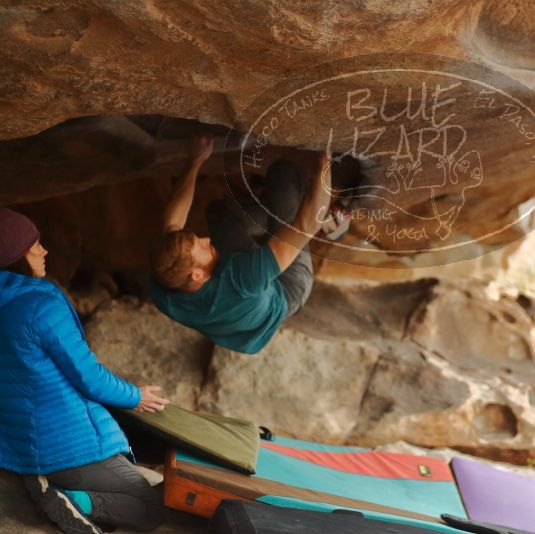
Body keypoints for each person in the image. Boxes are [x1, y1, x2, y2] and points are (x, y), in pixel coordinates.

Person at [0, 207, 170, 534]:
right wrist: (136, 396)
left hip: (21, 447)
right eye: (34, 246)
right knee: (154, 506)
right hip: (68, 446)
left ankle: (45, 484)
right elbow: (88, 376)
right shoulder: (40, 305)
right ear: (15, 258)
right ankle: (75, 501)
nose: (44, 250)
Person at [149, 136, 337, 354]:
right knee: (282, 174)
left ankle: (278, 211)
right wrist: (325, 161)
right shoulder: (240, 278)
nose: (207, 239)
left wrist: (196, 159)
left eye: (197, 238)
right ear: (197, 275)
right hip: (289, 287)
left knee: (218, 214)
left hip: (246, 304)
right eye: (202, 247)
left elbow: (171, 224)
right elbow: (307, 225)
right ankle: (331, 220)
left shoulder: (163, 284)